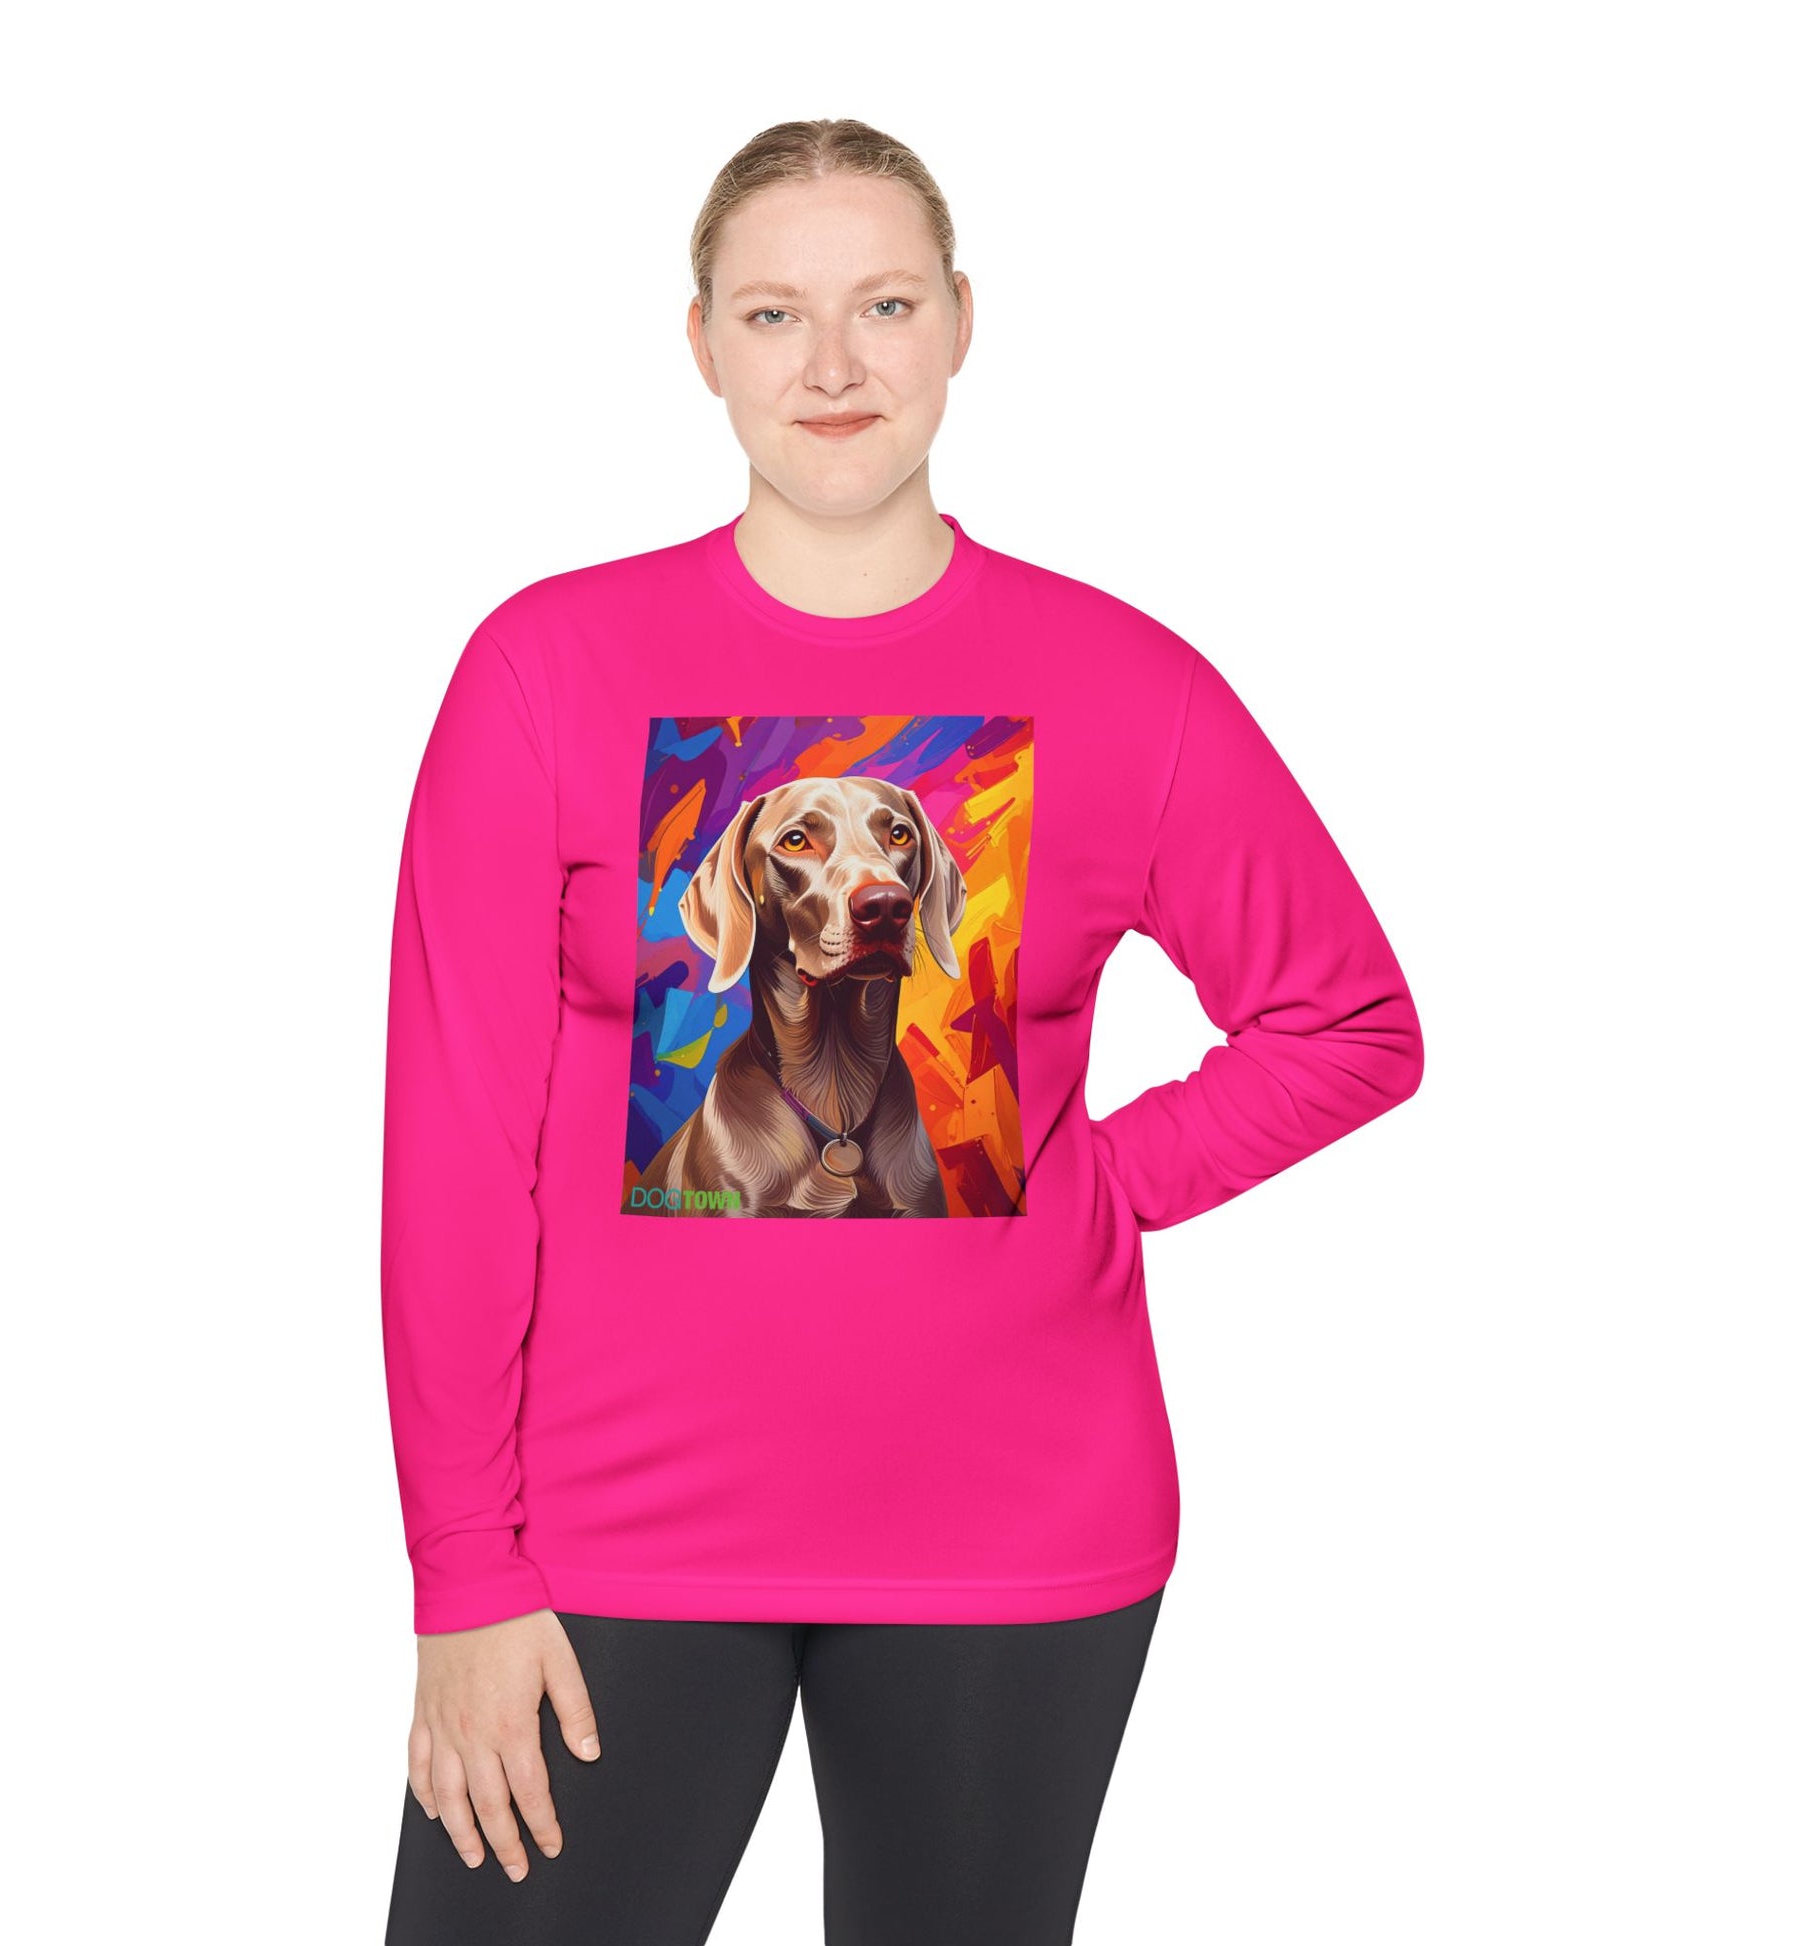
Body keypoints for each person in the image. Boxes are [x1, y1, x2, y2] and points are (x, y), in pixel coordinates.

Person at [380, 117, 1424, 1945]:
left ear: (959, 324)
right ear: (701, 344)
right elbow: (455, 1146)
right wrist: (464, 1563)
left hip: (1017, 1532)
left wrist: (1091, 1176)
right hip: (610, 1531)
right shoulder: (547, 669)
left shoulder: (1125, 683)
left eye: (883, 304)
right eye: (773, 313)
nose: (833, 365)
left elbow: (1343, 1019)